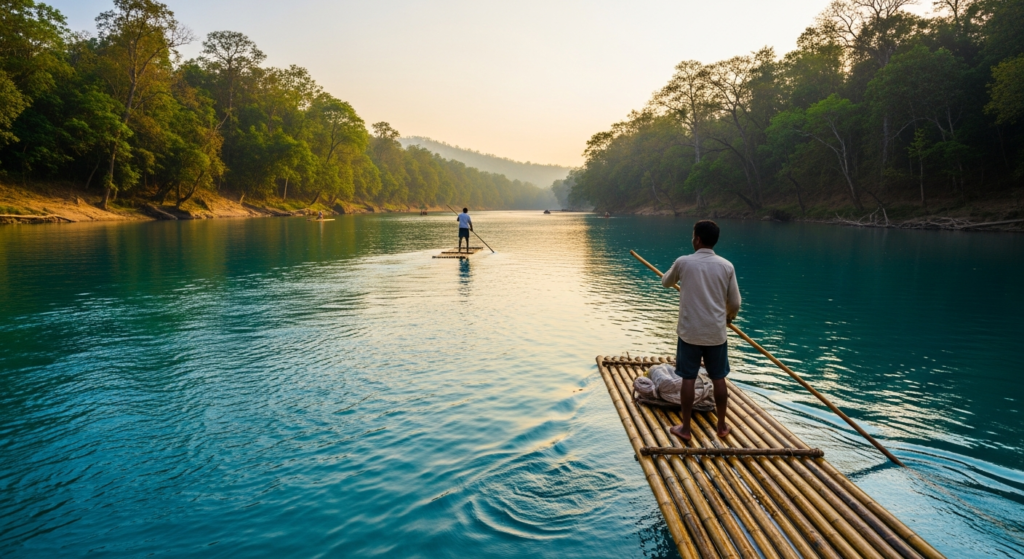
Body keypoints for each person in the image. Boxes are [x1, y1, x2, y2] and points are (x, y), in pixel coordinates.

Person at [660, 220, 741, 442]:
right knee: (718, 378)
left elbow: (666, 282)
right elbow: (734, 303)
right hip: (716, 333)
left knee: (688, 378)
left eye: (692, 236)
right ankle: (722, 426)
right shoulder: (726, 266)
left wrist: (676, 273)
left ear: (697, 239)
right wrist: (728, 318)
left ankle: (685, 429)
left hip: (689, 334)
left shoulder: (683, 262)